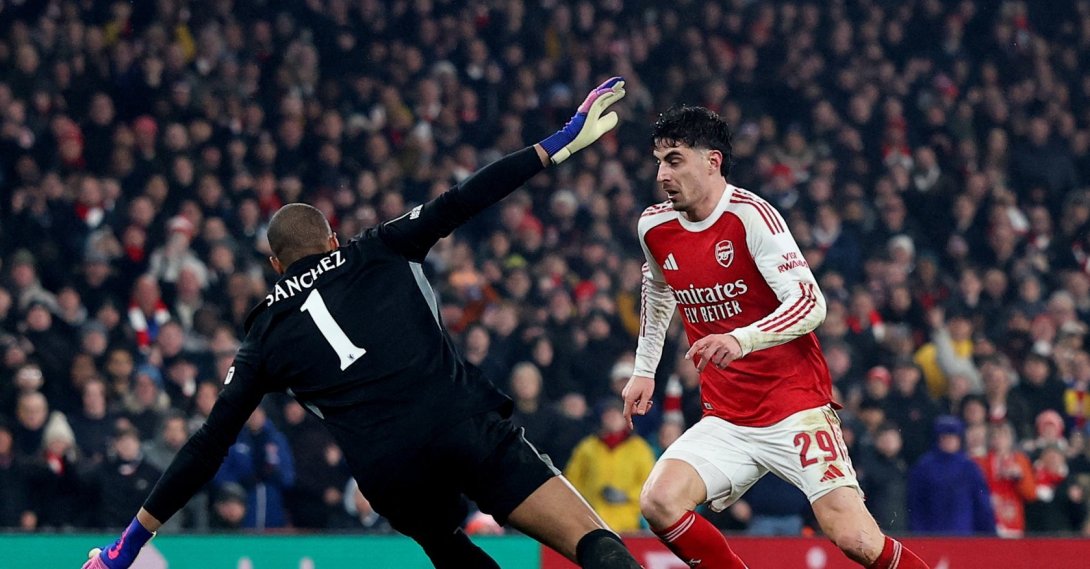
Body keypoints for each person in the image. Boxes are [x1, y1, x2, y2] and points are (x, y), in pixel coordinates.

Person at [82, 77, 641, 569]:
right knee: (592, 541)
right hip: (459, 421)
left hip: (390, 469)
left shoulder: (265, 333)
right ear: (331, 238)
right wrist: (556, 143)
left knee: (443, 541)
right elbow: (462, 198)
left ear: (275, 265)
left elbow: (207, 445)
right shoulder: (375, 248)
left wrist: (124, 549)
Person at [622, 106, 929, 569]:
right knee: (659, 500)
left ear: (713, 161)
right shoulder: (654, 225)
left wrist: (740, 340)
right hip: (726, 416)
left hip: (795, 409)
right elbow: (657, 287)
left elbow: (811, 304)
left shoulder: (752, 218)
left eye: (675, 160)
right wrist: (644, 370)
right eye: (659, 161)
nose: (663, 174)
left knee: (856, 539)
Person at [907, 416, 995, 535]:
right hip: (931, 536)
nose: (949, 441)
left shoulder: (970, 467)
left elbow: (982, 504)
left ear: (960, 439)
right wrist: (919, 533)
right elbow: (915, 504)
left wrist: (989, 533)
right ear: (937, 439)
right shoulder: (923, 467)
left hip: (965, 536)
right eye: (944, 437)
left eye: (953, 437)